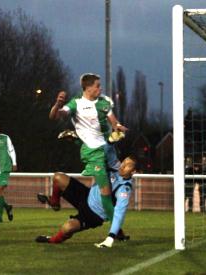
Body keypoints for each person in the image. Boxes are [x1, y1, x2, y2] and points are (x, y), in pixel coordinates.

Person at [49, 73, 128, 222]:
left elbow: (113, 121)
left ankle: (96, 214)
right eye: (97, 85)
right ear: (88, 87)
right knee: (105, 191)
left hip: (108, 150)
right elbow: (55, 116)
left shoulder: (104, 102)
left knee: (116, 184)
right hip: (93, 153)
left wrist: (118, 127)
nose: (100, 88)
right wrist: (57, 105)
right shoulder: (76, 103)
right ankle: (116, 231)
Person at [35, 156, 136, 248]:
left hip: (93, 215)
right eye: (124, 162)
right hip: (86, 195)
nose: (123, 166)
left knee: (67, 228)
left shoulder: (124, 189)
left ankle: (52, 240)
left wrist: (111, 236)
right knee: (58, 177)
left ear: (134, 171)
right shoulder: (114, 167)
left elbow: (119, 213)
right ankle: (54, 203)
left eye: (128, 165)